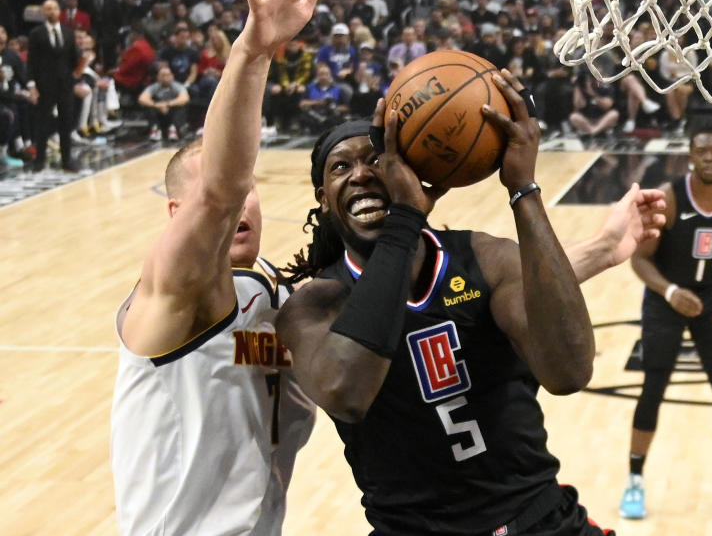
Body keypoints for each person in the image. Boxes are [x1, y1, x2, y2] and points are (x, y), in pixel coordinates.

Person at [275, 69, 666, 535]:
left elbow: (568, 371)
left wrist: (523, 187)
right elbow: (348, 393)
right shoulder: (314, 306)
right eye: (341, 167)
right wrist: (406, 218)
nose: (361, 173)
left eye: (377, 160)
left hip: (539, 521)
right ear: (323, 199)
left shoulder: (486, 258)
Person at [110, 0, 326, 536]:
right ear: (178, 217)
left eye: (251, 188)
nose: (238, 202)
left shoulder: (271, 298)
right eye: (219, 196)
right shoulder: (171, 296)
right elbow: (220, 189)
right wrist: (252, 53)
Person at [619, 126, 712, 520]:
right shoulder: (669, 196)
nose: (709, 157)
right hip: (667, 298)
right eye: (702, 151)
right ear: (691, 157)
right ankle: (634, 480)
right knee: (654, 386)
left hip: (711, 297)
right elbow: (640, 259)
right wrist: (669, 293)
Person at [27, 0, 80, 172]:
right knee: (43, 123)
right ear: (43, 12)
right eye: (48, 8)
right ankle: (39, 160)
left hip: (65, 85)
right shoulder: (36, 34)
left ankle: (67, 160)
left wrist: (75, 76)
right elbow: (31, 62)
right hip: (44, 85)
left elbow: (74, 59)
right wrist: (31, 84)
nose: (51, 11)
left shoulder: (68, 32)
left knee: (66, 123)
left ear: (60, 11)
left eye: (55, 8)